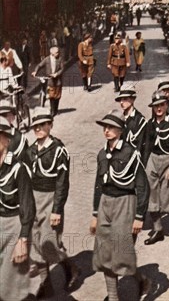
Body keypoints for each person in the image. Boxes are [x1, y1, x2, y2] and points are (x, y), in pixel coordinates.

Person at [90, 109, 150, 301]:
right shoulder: (102, 154)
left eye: (111, 127)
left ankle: (142, 280)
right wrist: (94, 213)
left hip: (125, 202)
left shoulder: (131, 153)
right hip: (106, 203)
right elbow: (98, 185)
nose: (106, 130)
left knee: (121, 252)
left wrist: (139, 216)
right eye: (105, 127)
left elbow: (142, 186)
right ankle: (113, 297)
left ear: (121, 129)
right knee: (104, 253)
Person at [24, 107, 78, 297]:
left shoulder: (58, 150)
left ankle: (70, 267)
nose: (38, 128)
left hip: (50, 199)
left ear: (50, 125)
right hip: (33, 199)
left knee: (50, 242)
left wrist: (57, 209)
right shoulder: (30, 150)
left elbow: (63, 182)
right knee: (35, 243)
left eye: (42, 124)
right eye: (35, 126)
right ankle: (46, 284)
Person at [0, 117, 36, 301]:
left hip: (14, 226)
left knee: (11, 288)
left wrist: (23, 239)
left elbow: (28, 205)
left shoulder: (17, 168)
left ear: (6, 139)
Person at [144, 91, 169, 244]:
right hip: (153, 159)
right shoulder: (150, 124)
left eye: (161, 105)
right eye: (156, 106)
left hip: (168, 159)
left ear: (167, 105)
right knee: (151, 195)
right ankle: (158, 229)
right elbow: (147, 146)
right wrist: (144, 164)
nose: (159, 108)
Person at [115, 86, 148, 161]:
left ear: (133, 99)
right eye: (120, 99)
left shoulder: (140, 120)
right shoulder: (119, 119)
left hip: (135, 159)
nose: (121, 102)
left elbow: (140, 145)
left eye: (125, 99)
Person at [32, 46, 64, 117]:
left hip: (58, 80)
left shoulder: (60, 59)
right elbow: (39, 65)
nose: (58, 53)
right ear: (52, 53)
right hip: (50, 80)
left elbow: (62, 69)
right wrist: (35, 71)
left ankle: (56, 109)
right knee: (51, 96)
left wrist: (56, 74)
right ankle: (52, 110)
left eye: (58, 52)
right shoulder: (47, 59)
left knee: (57, 96)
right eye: (56, 52)